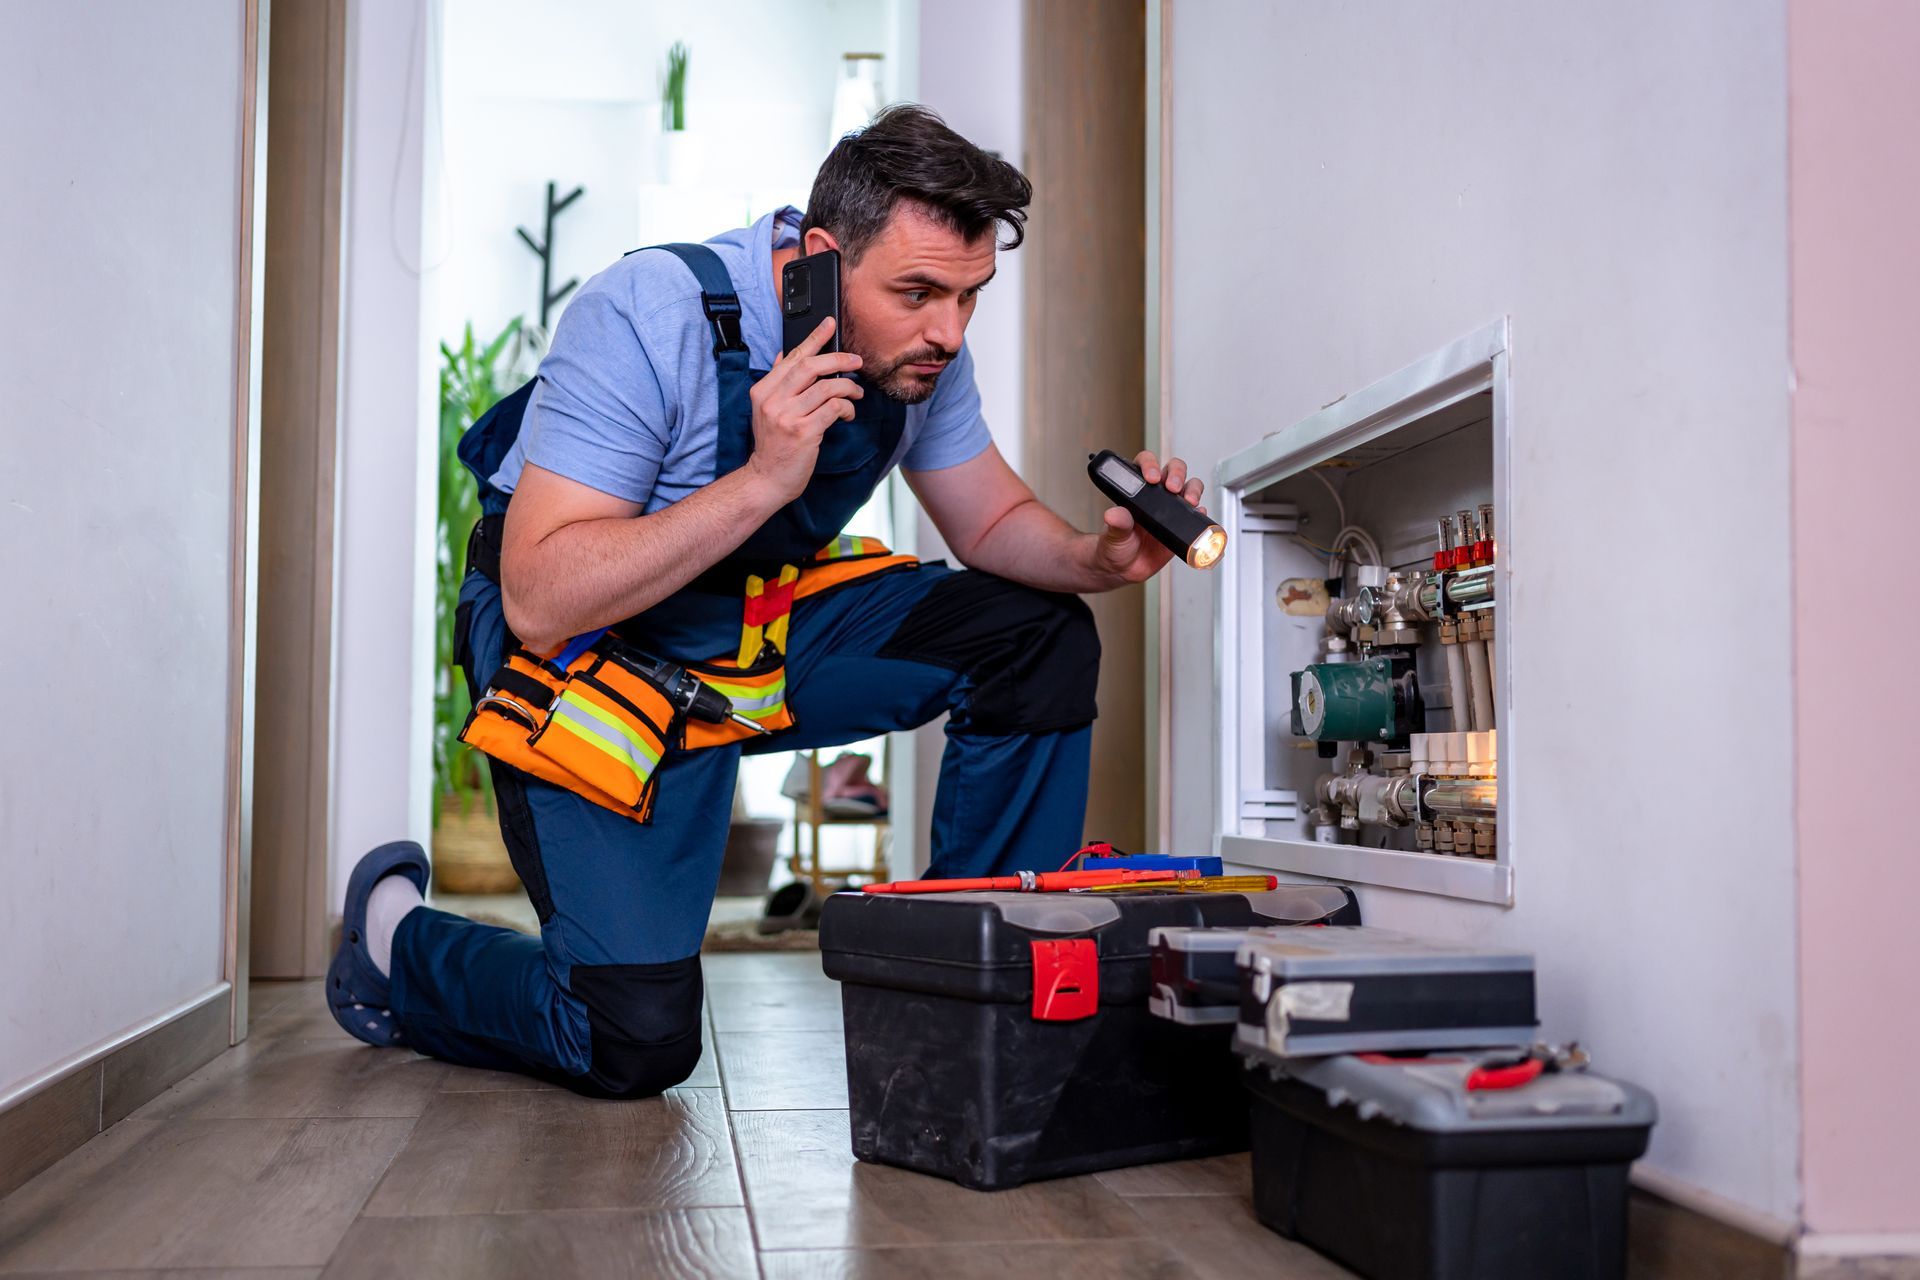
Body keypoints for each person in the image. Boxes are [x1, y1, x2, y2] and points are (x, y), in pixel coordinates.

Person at [325, 105, 1207, 1097]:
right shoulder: (644, 316)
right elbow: (539, 595)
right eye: (918, 292)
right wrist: (761, 479)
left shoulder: (915, 352)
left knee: (1035, 637)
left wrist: (1101, 554)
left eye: (970, 296)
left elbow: (990, 521)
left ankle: (979, 1004)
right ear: (822, 261)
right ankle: (398, 944)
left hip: (748, 623)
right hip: (587, 639)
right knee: (630, 1036)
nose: (949, 332)